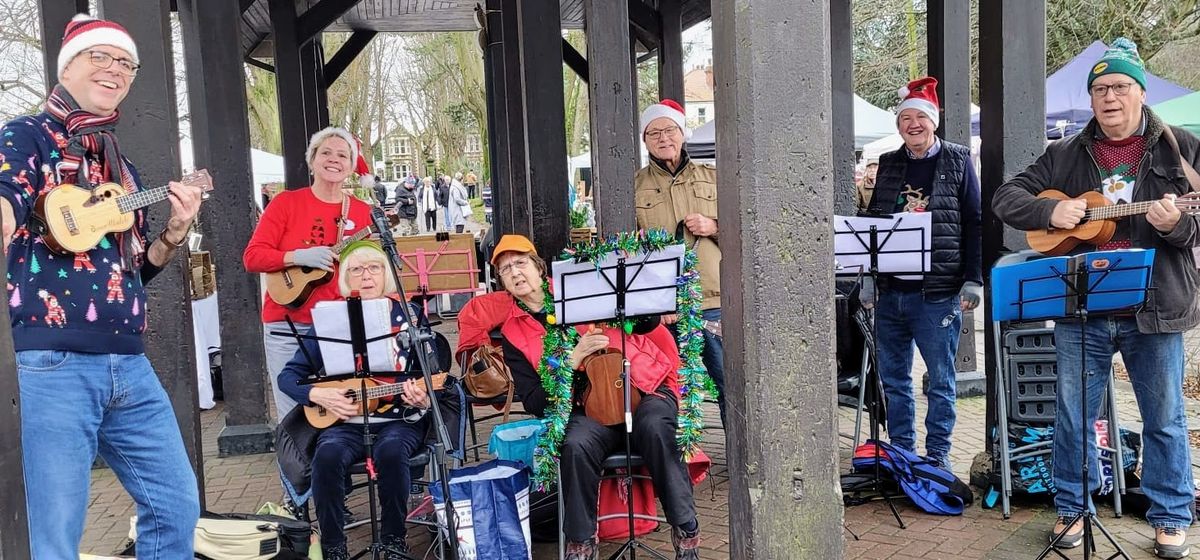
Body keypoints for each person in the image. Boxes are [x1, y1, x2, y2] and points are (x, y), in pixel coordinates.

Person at [0, 14, 203, 557]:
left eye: (126, 63)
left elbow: (135, 271)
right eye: (101, 57)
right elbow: (7, 193)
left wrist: (176, 232)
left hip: (129, 364)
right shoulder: (27, 135)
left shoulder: (120, 165)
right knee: (56, 532)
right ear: (68, 65)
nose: (115, 69)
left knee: (176, 504)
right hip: (51, 364)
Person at [993, 38, 1198, 558]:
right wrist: (1048, 215)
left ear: (1140, 92)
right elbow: (1006, 197)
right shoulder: (1065, 153)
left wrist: (1176, 226)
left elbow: (1193, 228)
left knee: (1166, 416)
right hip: (1080, 305)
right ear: (1091, 99)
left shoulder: (1183, 148)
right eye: (1101, 88)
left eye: (1120, 87)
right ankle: (1073, 508)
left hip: (1155, 305)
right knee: (1071, 416)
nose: (1110, 97)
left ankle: (1172, 515)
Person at [484, 235, 702, 560]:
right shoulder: (512, 334)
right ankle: (581, 542)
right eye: (505, 269)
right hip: (587, 408)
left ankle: (686, 528)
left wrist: (636, 296)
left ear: (538, 266)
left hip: (642, 387)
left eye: (520, 262)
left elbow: (645, 324)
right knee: (575, 445)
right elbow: (533, 400)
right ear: (500, 281)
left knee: (657, 427)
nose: (515, 272)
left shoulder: (581, 286)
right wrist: (571, 362)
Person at [277, 241, 433, 560]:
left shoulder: (410, 315)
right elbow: (288, 376)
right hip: (344, 420)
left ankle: (394, 539)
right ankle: (334, 546)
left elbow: (433, 371)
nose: (366, 275)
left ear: (385, 273)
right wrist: (317, 394)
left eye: (374, 267)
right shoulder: (330, 321)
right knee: (327, 457)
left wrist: (424, 395)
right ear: (346, 278)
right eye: (356, 269)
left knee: (391, 453)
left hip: (399, 418)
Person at [863, 76, 982, 472]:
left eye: (920, 117)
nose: (913, 124)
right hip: (891, 291)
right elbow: (876, 221)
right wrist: (867, 274)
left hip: (938, 292)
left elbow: (974, 220)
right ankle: (902, 450)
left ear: (934, 121)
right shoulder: (890, 164)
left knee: (941, 381)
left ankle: (938, 456)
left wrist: (972, 278)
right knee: (894, 381)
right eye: (905, 118)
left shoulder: (958, 159)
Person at [244, 126, 374, 422]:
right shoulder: (285, 203)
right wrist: (295, 256)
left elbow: (372, 270)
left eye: (343, 155)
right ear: (312, 160)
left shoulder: (362, 213)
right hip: (287, 327)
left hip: (339, 328)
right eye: (326, 152)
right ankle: (294, 471)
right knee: (293, 420)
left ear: (352, 167)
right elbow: (252, 258)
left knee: (337, 415)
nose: (334, 159)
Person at [634, 98, 727, 425]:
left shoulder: (714, 177)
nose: (663, 138)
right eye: (654, 132)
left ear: (682, 133)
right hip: (663, 306)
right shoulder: (635, 185)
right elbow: (627, 251)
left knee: (728, 383)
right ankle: (675, 464)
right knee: (664, 389)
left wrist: (714, 226)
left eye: (670, 130)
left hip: (711, 296)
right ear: (645, 140)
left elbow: (745, 229)